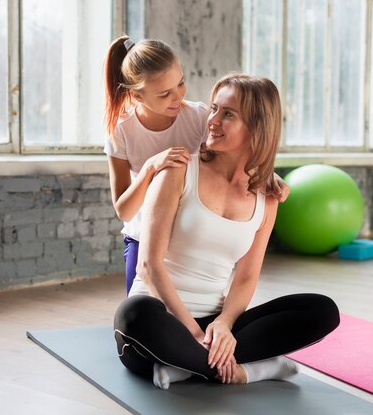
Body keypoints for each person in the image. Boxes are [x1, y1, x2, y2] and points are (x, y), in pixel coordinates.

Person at [113, 73, 340, 389]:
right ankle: (251, 370)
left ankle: (189, 366)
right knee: (134, 314)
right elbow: (149, 266)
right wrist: (192, 332)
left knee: (322, 310)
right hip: (164, 320)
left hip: (215, 325)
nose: (213, 121)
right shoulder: (178, 170)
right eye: (213, 108)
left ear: (256, 128)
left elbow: (247, 277)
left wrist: (224, 324)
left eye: (228, 114)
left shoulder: (267, 198)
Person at [102, 36, 289, 295]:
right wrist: (150, 168)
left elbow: (234, 154)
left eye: (180, 83)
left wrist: (268, 175)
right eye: (165, 93)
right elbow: (124, 210)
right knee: (142, 303)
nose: (178, 96)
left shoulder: (200, 117)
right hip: (143, 235)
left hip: (187, 234)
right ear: (136, 95)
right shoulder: (121, 132)